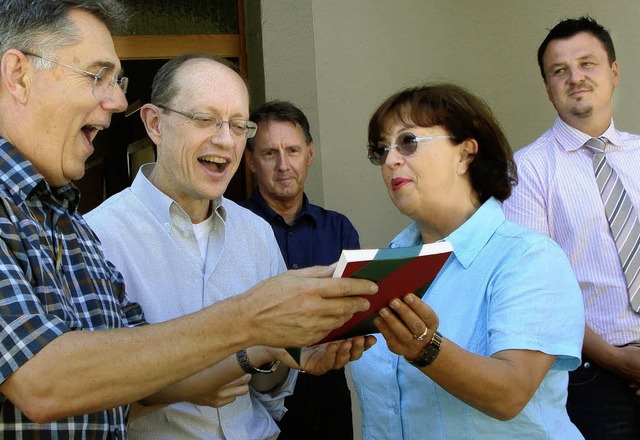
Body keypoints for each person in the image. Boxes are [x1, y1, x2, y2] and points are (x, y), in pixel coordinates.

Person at [0, 1, 377, 437]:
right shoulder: (98, 227)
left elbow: (143, 388)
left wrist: (268, 344)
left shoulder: (70, 225)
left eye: (239, 126)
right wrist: (249, 317)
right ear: (18, 75)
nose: (117, 98)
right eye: (96, 76)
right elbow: (43, 383)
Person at [85, 54, 374, 439]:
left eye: (239, 125)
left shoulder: (256, 233)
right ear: (155, 123)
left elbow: (267, 394)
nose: (225, 140)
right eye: (205, 119)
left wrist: (287, 356)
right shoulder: (97, 236)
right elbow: (89, 405)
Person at [349, 83, 585, 439]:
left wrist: (426, 348)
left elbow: (510, 393)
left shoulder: (529, 258)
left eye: (408, 142)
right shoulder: (386, 265)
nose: (391, 160)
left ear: (466, 154)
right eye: (382, 150)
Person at [502, 16, 640, 439]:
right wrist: (618, 360)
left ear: (614, 73)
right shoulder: (527, 172)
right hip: (594, 377)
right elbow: (539, 295)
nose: (575, 77)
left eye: (587, 63)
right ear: (548, 87)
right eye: (560, 71)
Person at [240, 100, 360, 439]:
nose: (283, 165)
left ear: (309, 154)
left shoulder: (339, 229)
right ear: (250, 161)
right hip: (256, 402)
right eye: (269, 154)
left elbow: (355, 310)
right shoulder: (233, 228)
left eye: (292, 150)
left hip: (330, 397)